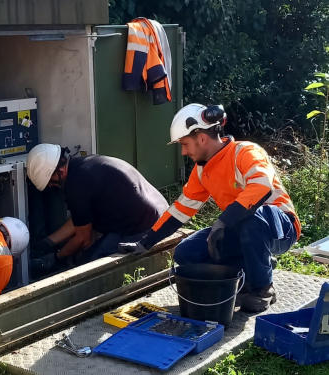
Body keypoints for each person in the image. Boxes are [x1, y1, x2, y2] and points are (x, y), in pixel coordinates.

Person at [120, 103, 300, 313]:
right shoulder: (201, 171)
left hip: (280, 228)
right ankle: (249, 276)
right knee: (187, 253)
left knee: (250, 219)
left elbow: (261, 188)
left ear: (202, 138)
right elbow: (180, 210)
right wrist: (145, 242)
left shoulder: (246, 152)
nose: (184, 151)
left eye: (185, 144)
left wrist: (222, 222)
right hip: (240, 227)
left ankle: (263, 289)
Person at [26, 144, 169, 271]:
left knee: (88, 269)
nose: (52, 186)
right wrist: (48, 242)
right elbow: (80, 220)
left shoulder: (76, 187)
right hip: (160, 214)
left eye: (52, 183)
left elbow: (83, 239)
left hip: (144, 228)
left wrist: (56, 257)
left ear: (61, 172)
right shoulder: (85, 166)